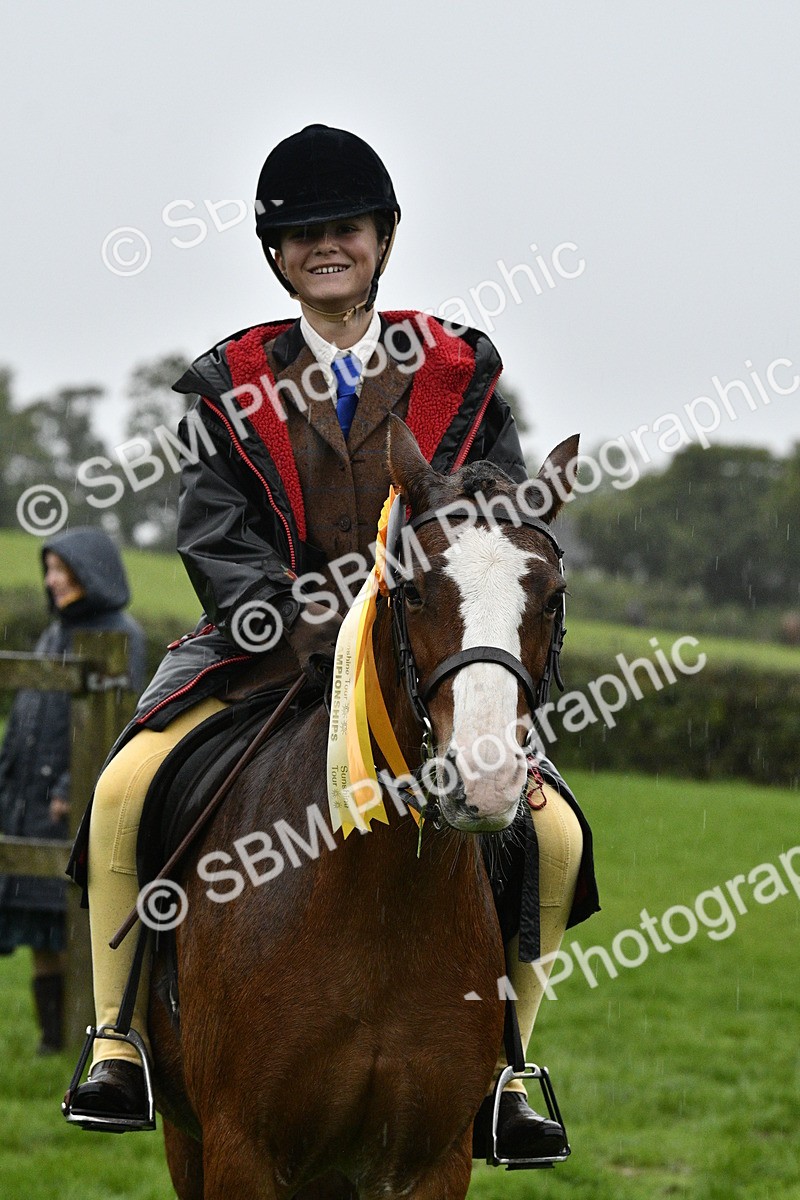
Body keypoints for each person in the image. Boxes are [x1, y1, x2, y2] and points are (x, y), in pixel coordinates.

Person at [68, 125, 599, 1158]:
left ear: (382, 239)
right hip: (265, 649)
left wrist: (415, 622)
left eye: (345, 228)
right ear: (276, 253)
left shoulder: (459, 371)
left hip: (424, 653)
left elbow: (492, 515)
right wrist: (301, 626)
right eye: (302, 233)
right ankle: (117, 1040)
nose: (325, 247)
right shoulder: (226, 383)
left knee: (555, 835)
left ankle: (508, 1071)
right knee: (123, 788)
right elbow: (215, 535)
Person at [0, 528, 145, 1054]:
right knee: (39, 927)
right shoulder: (53, 633)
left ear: (91, 571)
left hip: (71, 804)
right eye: (49, 570)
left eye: (61, 569)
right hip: (26, 802)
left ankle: (79, 1034)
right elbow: (27, 716)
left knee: (71, 927)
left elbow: (118, 722)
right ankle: (50, 1042)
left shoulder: (121, 634)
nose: (51, 580)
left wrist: (69, 787)